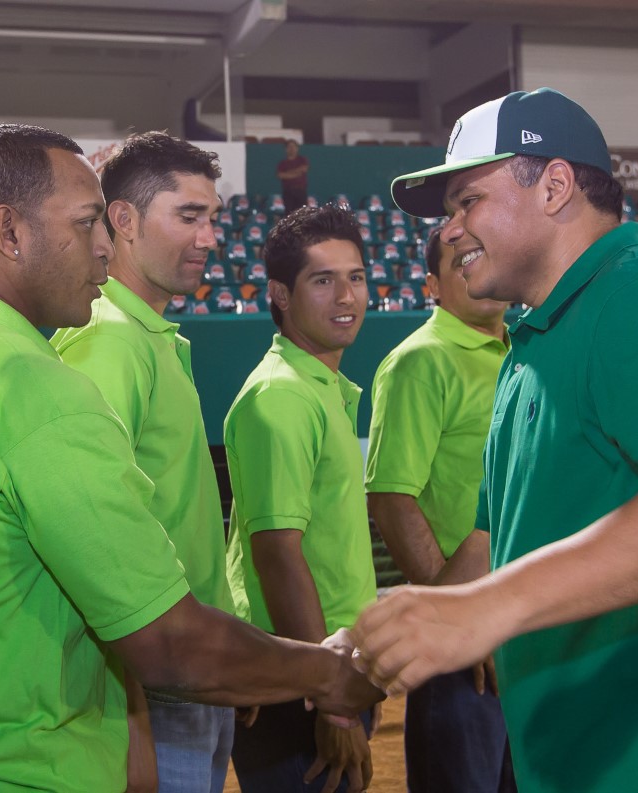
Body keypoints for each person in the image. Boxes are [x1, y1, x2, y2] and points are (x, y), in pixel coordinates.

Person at [0, 125, 381, 793]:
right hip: (38, 764)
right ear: (11, 232)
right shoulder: (40, 390)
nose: (104, 246)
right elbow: (163, 640)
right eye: (88, 222)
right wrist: (331, 673)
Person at [353, 87, 638, 791]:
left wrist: (486, 609)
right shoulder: (531, 344)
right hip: (589, 760)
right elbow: (491, 544)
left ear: (555, 185)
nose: (450, 229)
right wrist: (376, 643)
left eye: (467, 201)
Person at [50, 131, 236, 793]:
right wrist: (131, 716)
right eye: (189, 216)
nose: (209, 237)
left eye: (213, 218)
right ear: (123, 220)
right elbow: (95, 543)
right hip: (155, 689)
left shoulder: (145, 337)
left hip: (189, 675)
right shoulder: (108, 339)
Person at [224, 205, 379, 793]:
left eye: (357, 277)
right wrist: (334, 700)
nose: (347, 295)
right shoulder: (282, 397)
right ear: (280, 295)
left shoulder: (320, 388)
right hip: (299, 683)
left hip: (328, 671)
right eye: (323, 280)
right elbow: (277, 555)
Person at [364, 226, 515, 793]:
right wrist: (457, 623)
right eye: (459, 261)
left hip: (525, 625)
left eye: (485, 252)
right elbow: (391, 497)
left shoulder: (522, 351)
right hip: (460, 646)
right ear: (432, 284)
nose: (477, 268)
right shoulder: (420, 361)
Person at [277, 140, 310, 215]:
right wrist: (296, 173)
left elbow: (304, 169)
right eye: (289, 147)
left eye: (294, 147)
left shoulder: (302, 160)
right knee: (289, 215)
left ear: (297, 148)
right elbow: (280, 175)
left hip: (301, 191)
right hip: (288, 192)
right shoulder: (282, 163)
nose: (292, 149)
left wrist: (287, 174)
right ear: (286, 149)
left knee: (302, 214)